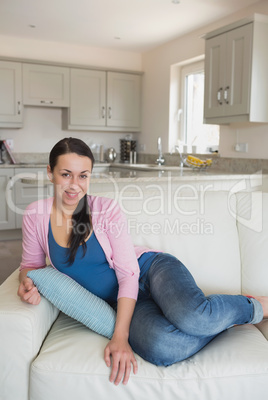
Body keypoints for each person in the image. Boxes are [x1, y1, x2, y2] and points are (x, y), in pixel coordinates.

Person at [18, 137, 268, 386]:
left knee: (193, 317)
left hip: (150, 270)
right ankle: (222, 317)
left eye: (83, 176)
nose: (75, 185)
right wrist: (27, 284)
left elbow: (128, 274)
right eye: (66, 174)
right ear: (50, 173)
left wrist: (120, 336)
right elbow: (30, 265)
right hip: (128, 303)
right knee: (163, 347)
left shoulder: (105, 210)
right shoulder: (36, 215)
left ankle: (252, 307)